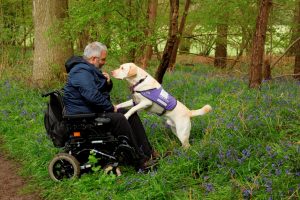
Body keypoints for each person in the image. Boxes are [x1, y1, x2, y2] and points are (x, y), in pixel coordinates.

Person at [63, 41, 157, 171]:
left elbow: (96, 90)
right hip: (83, 115)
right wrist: (110, 107)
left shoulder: (87, 69)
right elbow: (92, 95)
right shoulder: (80, 72)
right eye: (102, 59)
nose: (104, 62)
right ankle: (140, 161)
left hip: (90, 109)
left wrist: (107, 83)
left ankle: (148, 152)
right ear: (94, 59)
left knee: (129, 113)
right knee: (120, 118)